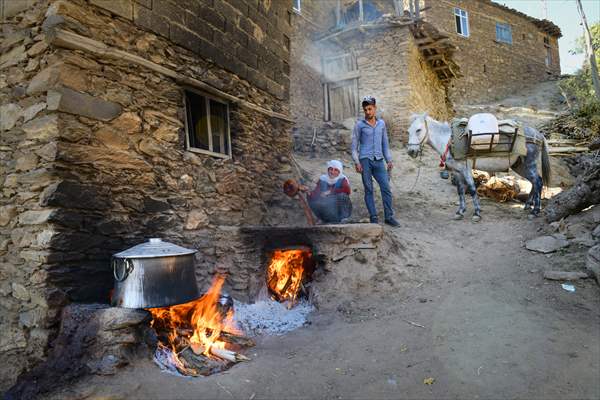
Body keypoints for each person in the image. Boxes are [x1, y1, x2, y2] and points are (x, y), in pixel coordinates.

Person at [351, 96, 400, 227]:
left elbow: (385, 144)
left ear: (375, 108)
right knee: (369, 189)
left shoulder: (381, 124)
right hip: (365, 161)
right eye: (365, 109)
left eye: (370, 109)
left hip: (379, 161)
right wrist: (357, 162)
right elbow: (354, 146)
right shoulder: (359, 125)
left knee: (386, 188)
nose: (368, 112)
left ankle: (389, 216)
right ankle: (373, 217)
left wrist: (388, 159)